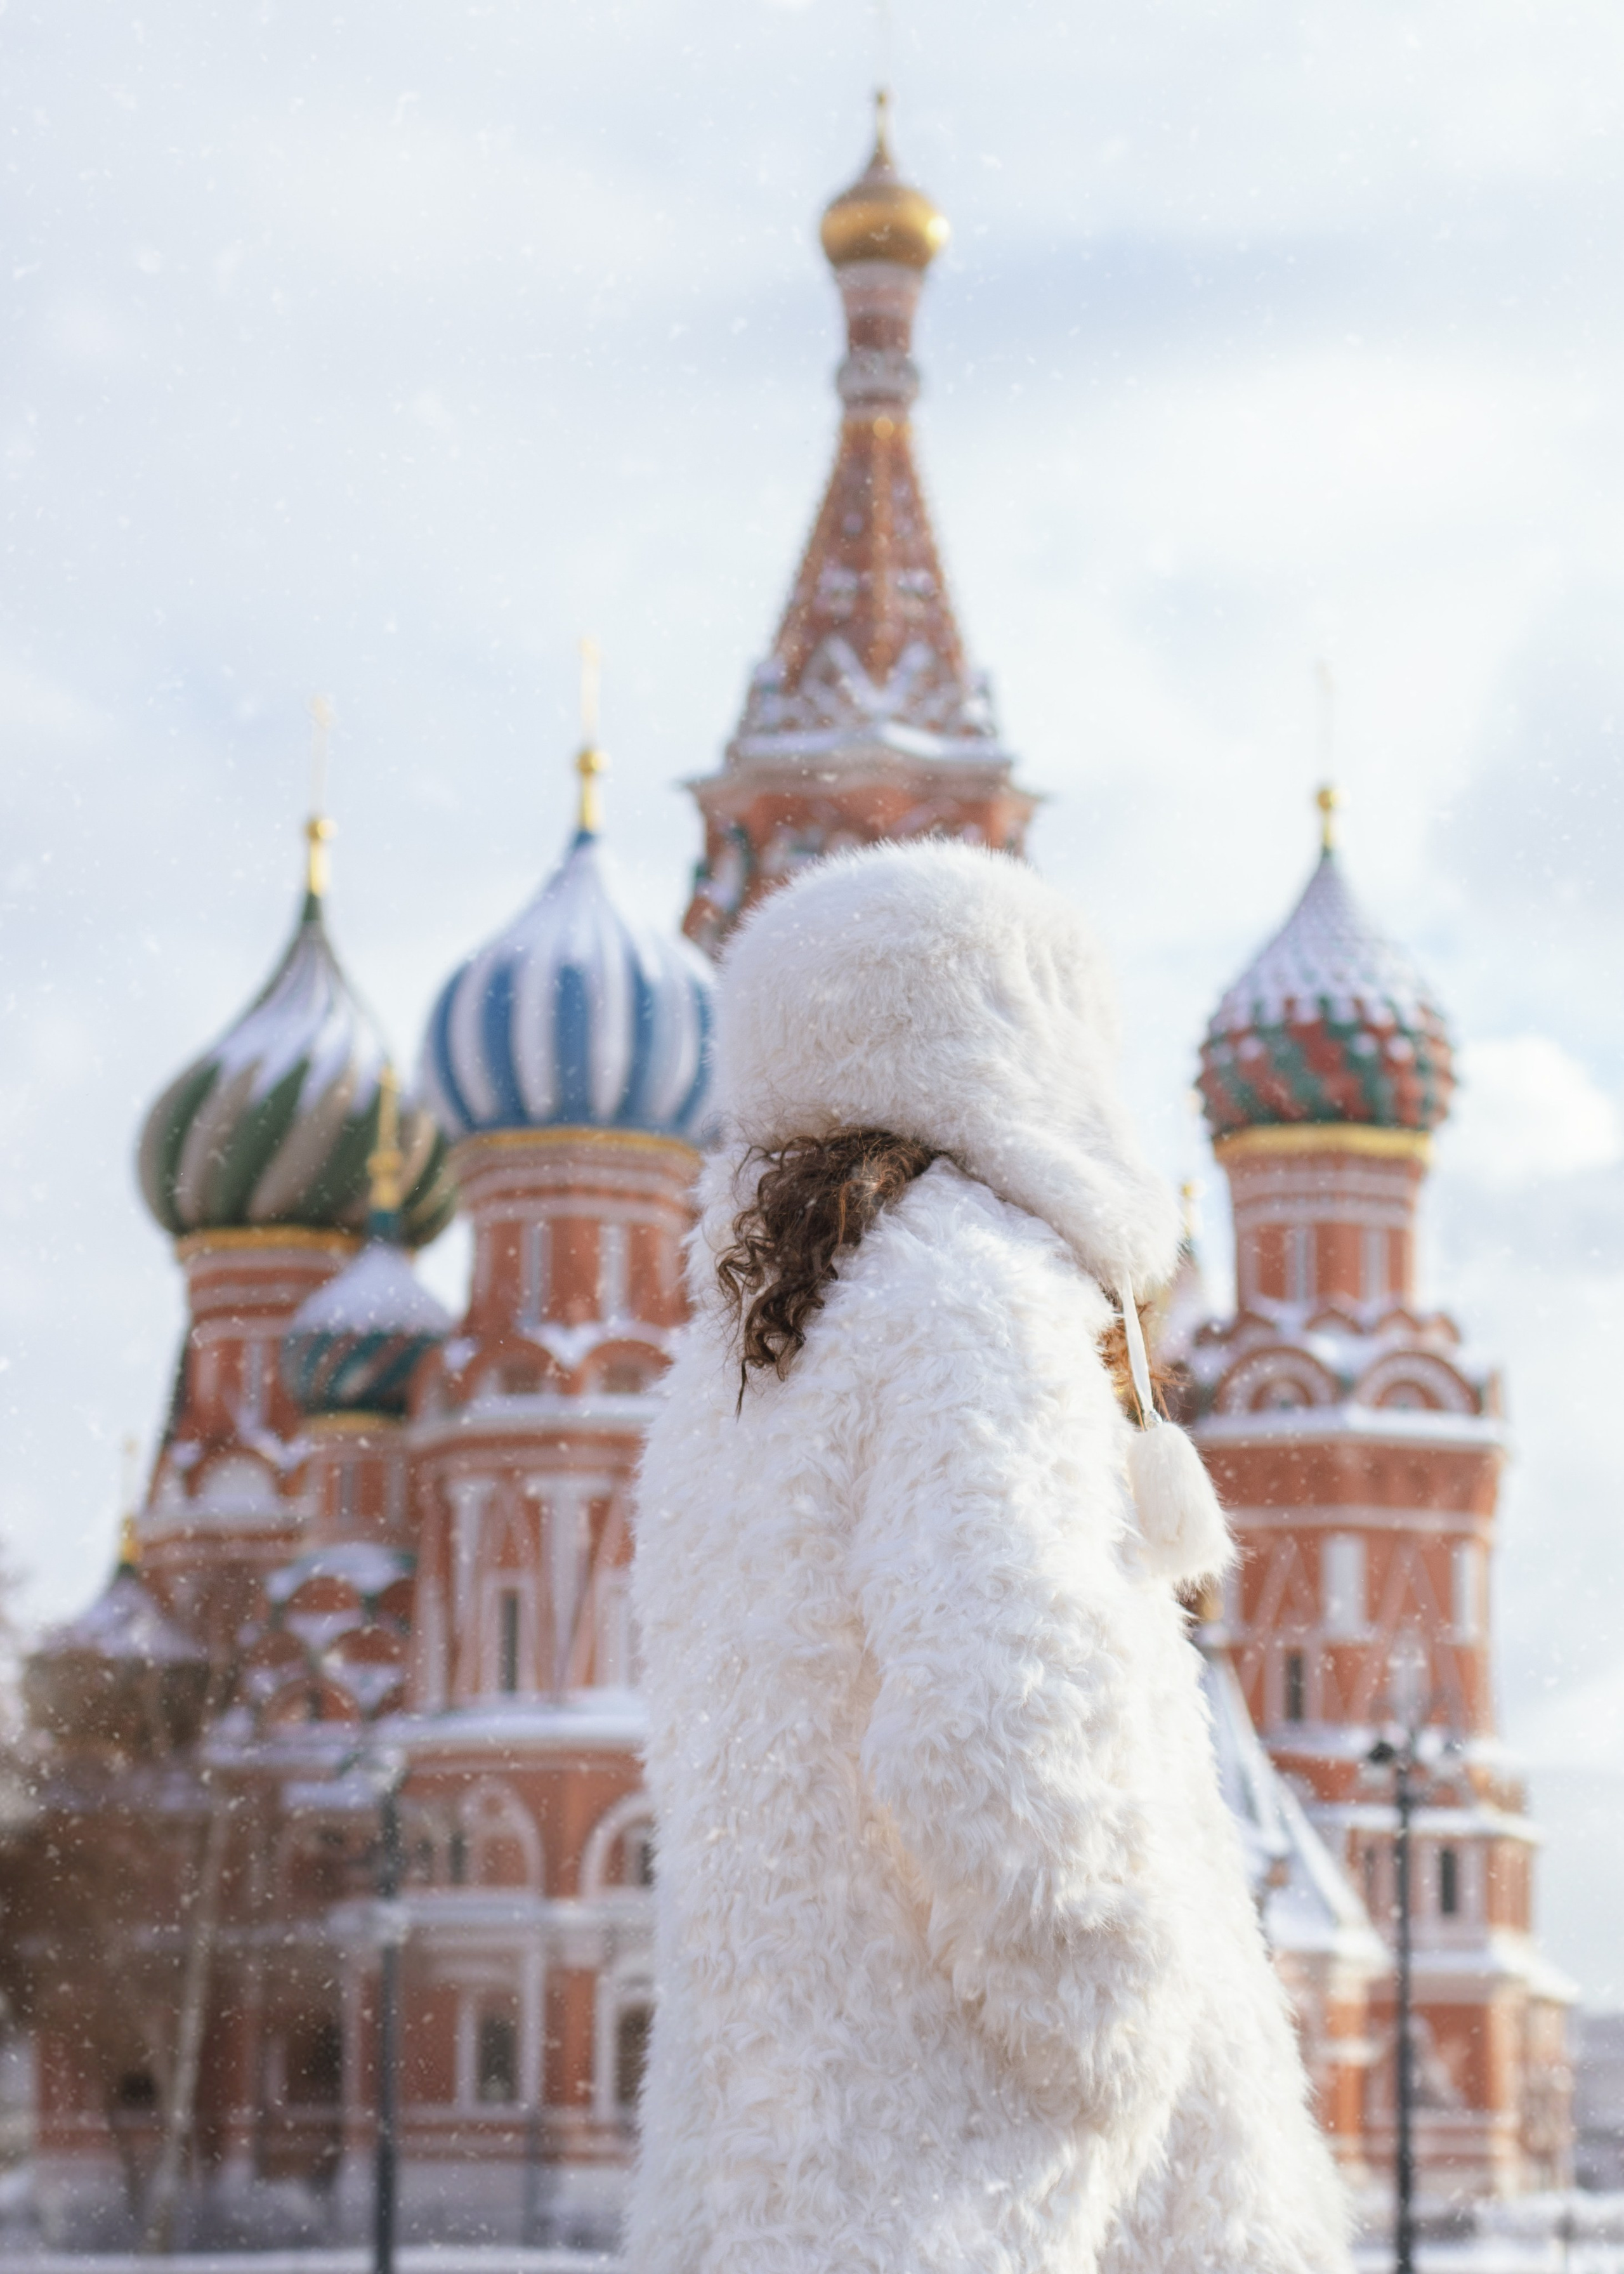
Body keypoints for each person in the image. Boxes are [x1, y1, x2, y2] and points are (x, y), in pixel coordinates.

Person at [627, 840, 1352, 2274]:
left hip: (795, 2150)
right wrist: (1110, 2026)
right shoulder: (971, 1303)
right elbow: (997, 1710)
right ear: (1016, 1041)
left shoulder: (744, 1361)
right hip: (996, 2168)